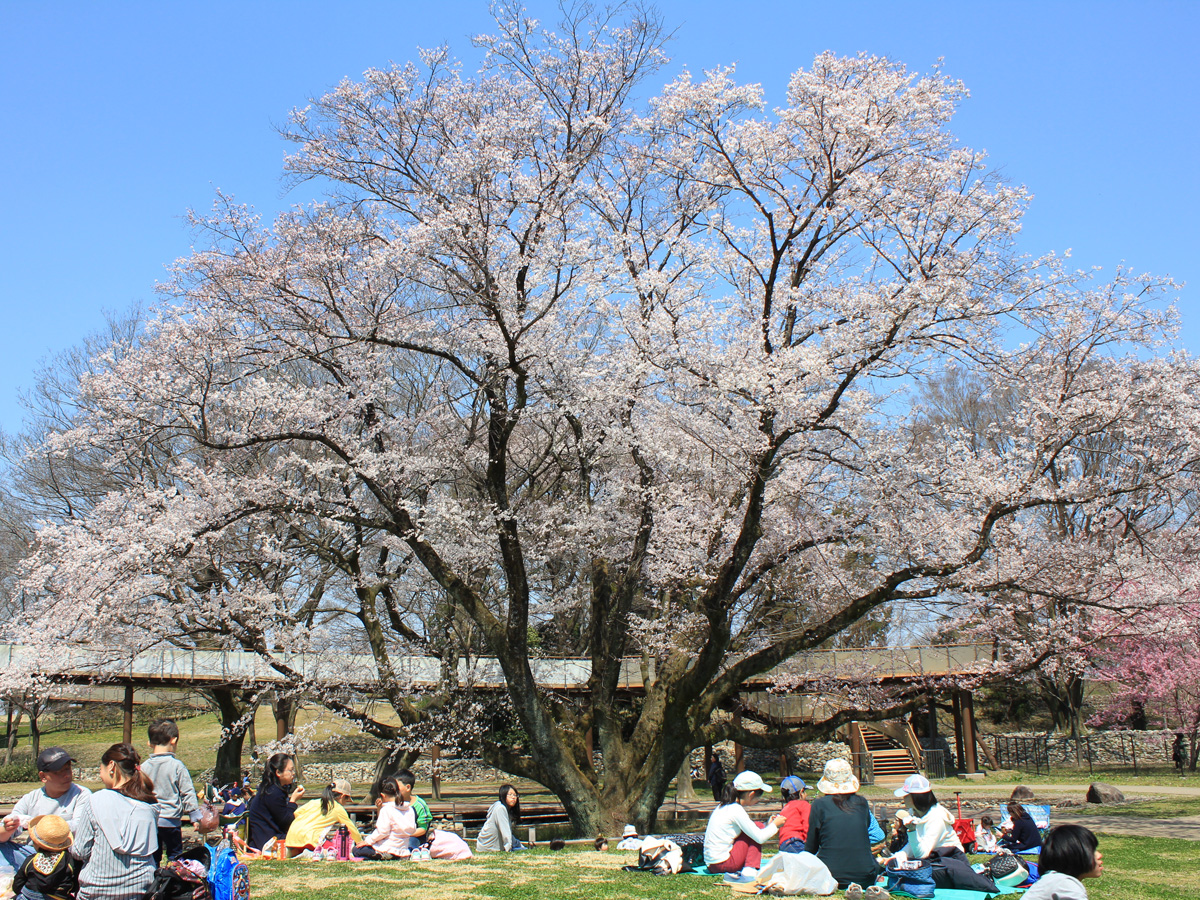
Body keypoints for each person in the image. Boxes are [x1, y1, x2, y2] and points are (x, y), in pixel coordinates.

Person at [71, 743, 158, 900]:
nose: (101, 775)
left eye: (100, 770)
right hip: (140, 891)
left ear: (111, 766)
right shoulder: (151, 805)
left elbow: (80, 851)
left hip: (98, 891)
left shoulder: (97, 800)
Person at [1, 748, 93, 874]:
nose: (67, 775)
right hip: (34, 856)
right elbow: (7, 828)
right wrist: (8, 827)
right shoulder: (31, 798)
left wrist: (41, 827)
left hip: (65, 857)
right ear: (43, 776)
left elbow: (79, 826)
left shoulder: (82, 794)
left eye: (68, 769)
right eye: (59, 772)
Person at [804, 758, 880, 891]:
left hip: (829, 876)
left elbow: (812, 847)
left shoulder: (819, 805)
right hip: (865, 876)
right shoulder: (861, 803)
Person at [702, 770, 787, 878]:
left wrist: (768, 824)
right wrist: (775, 825)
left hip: (712, 864)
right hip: (724, 864)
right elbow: (760, 837)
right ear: (751, 794)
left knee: (757, 826)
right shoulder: (736, 810)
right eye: (759, 795)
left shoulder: (723, 806)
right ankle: (750, 869)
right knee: (758, 827)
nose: (759, 799)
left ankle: (749, 867)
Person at [141, 718, 200, 865]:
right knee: (175, 855)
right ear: (173, 740)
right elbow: (187, 791)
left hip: (150, 820)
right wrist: (194, 815)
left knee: (153, 856)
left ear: (149, 743)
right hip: (171, 821)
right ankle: (173, 882)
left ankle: (153, 881)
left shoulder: (143, 768)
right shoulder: (177, 766)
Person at [884, 774, 964, 863]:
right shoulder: (913, 812)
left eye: (906, 795)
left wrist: (912, 831)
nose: (903, 798)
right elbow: (912, 845)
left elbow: (922, 854)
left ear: (916, 797)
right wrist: (894, 858)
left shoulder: (936, 817)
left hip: (952, 862)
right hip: (934, 860)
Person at [1023, 824, 1102, 900]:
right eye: (1093, 850)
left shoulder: (1057, 880)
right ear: (1073, 855)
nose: (1099, 855)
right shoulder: (1064, 884)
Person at [284, 780, 363, 855]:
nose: (345, 803)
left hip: (292, 838)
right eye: (346, 800)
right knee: (335, 849)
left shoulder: (314, 802)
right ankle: (310, 853)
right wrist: (361, 843)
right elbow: (351, 829)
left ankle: (297, 851)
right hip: (310, 839)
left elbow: (296, 814)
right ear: (342, 796)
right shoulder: (337, 808)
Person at [246, 754, 305, 851]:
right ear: (278, 772)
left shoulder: (270, 789)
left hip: (265, 838)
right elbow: (286, 822)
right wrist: (293, 801)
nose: (293, 773)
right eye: (290, 770)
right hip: (268, 842)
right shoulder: (273, 792)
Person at [11, 815, 78, 900]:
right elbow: (75, 884)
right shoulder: (70, 861)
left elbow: (18, 883)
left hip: (30, 895)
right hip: (57, 896)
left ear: (37, 843)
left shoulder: (31, 860)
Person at [353, 778, 408, 859]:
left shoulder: (386, 809)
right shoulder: (408, 808)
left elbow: (382, 831)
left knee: (356, 850)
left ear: (382, 795)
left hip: (387, 848)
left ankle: (382, 856)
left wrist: (367, 841)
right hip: (403, 849)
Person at [475, 785, 522, 852]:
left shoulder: (506, 809)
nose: (513, 797)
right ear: (503, 795)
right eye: (510, 795)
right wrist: (509, 849)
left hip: (486, 847)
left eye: (515, 795)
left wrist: (519, 845)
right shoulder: (500, 809)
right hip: (488, 848)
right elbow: (506, 833)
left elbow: (509, 833)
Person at [393, 768, 433, 849]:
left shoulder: (419, 805)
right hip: (396, 836)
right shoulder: (393, 803)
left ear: (408, 787)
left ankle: (414, 852)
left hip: (415, 836)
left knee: (410, 843)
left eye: (397, 788)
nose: (394, 790)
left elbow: (423, 828)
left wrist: (406, 834)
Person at [777, 776, 811, 852]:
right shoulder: (803, 804)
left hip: (783, 844)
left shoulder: (786, 808)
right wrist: (810, 845)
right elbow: (807, 826)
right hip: (796, 842)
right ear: (801, 792)